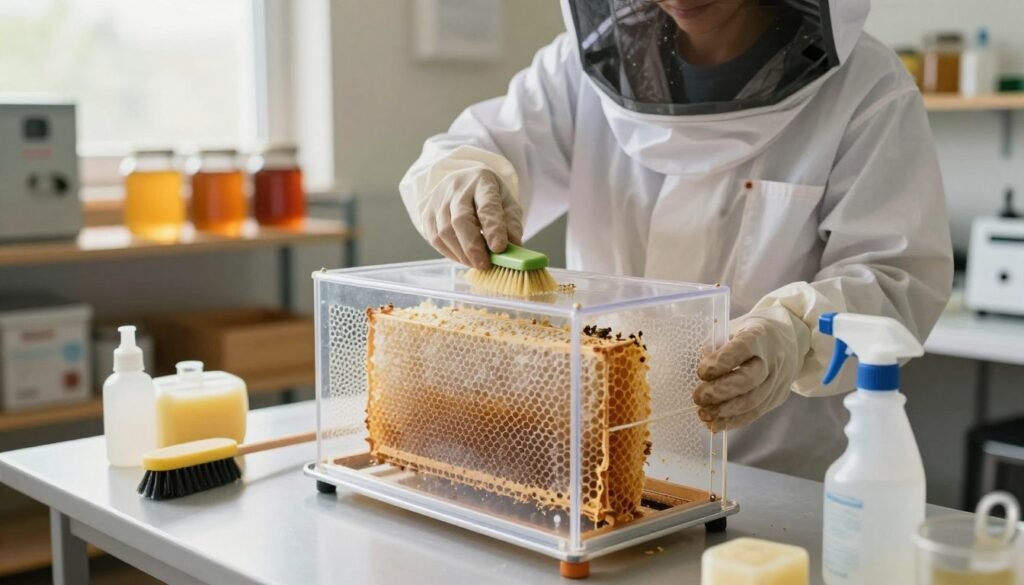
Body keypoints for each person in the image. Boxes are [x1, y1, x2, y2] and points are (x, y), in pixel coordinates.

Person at [399, 0, 953, 480]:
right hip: (590, 462)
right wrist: (461, 177)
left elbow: (894, 279)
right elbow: (476, 146)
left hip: (768, 482)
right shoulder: (582, 65)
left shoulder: (867, 87)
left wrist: (795, 334)